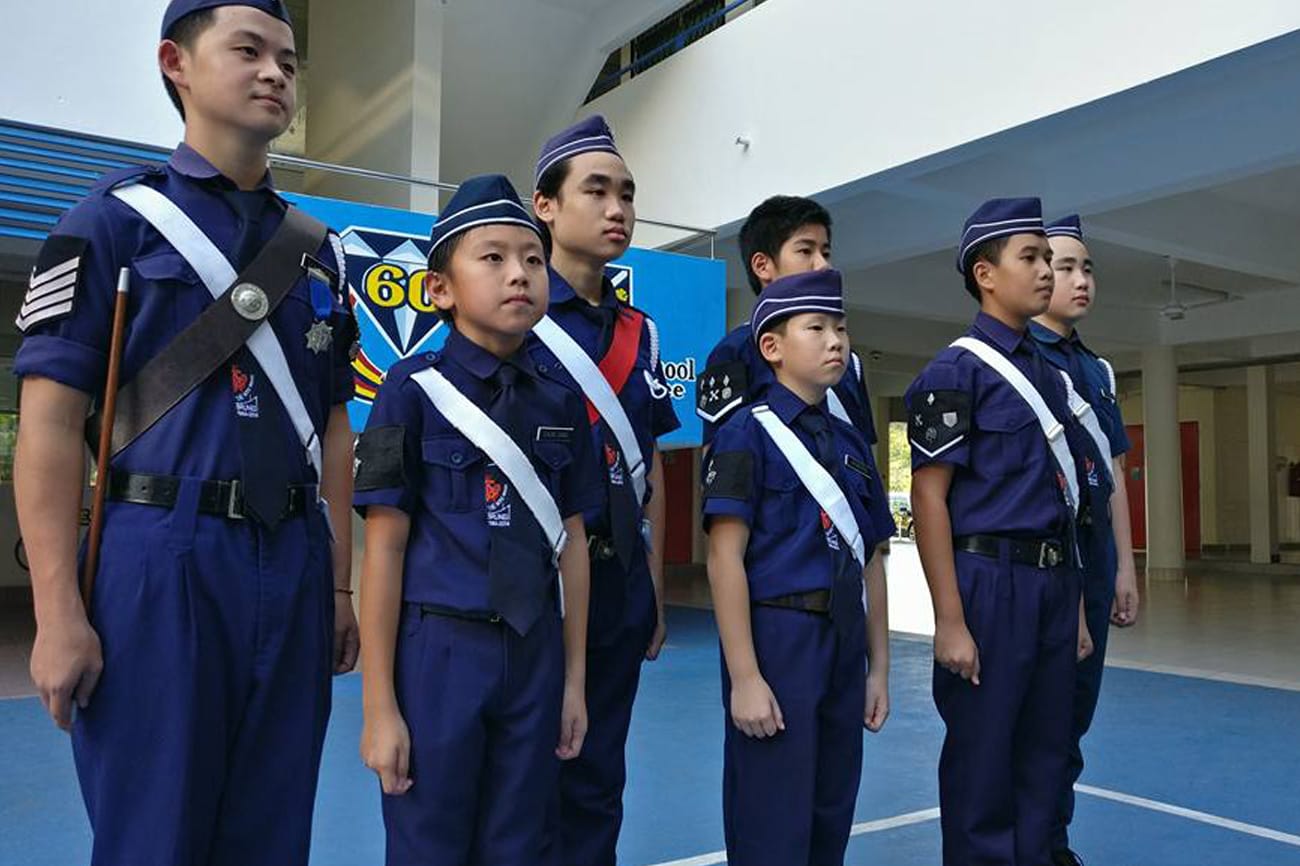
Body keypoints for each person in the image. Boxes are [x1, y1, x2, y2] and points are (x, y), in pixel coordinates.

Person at [14, 2, 358, 863]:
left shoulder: (319, 252)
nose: (276, 71)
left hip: (292, 557)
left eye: (287, 57)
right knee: (153, 836)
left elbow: (333, 426)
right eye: (248, 51)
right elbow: (51, 425)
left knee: (273, 832)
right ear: (177, 63)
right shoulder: (111, 221)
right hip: (159, 558)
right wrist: (56, 615)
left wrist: (341, 589)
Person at [355, 174, 602, 866]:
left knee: (522, 843)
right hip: (439, 653)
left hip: (535, 652)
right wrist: (380, 706)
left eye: (531, 258)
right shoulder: (410, 393)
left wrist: (573, 680)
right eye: (491, 258)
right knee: (428, 843)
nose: (518, 273)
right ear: (439, 288)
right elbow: (384, 550)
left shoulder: (560, 402)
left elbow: (573, 547)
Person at [906, 197, 1093, 866]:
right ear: (986, 274)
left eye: (1049, 258)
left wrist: (1073, 604)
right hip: (990, 584)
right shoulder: (954, 373)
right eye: (1032, 257)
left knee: (1047, 752)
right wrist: (949, 620)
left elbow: (1065, 499)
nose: (1047, 269)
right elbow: (930, 500)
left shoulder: (1054, 375)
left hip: (1052, 582)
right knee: (984, 762)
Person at [702, 269, 892, 866]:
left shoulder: (853, 445)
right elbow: (723, 557)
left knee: (831, 811)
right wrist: (746, 677)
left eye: (841, 327)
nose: (836, 340)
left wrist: (878, 667)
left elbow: (873, 561)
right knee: (771, 816)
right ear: (772, 347)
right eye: (817, 327)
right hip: (778, 640)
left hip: (841, 641)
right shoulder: (743, 436)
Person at [530, 115, 680, 866]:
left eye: (626, 193)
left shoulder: (643, 335)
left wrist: (651, 592)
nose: (618, 207)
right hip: (529, 584)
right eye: (597, 190)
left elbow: (648, 472)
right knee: (524, 778)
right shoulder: (513, 320)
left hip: (618, 584)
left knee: (597, 775)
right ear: (546, 206)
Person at [1030, 214, 1141, 866]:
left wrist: (1125, 567)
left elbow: (1116, 473)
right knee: (1037, 717)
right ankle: (1029, 844)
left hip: (1095, 557)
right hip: (1045, 559)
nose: (1077, 279)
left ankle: (1053, 841)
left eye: (1086, 267)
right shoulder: (1020, 363)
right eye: (1063, 266)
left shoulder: (1095, 370)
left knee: (1074, 716)